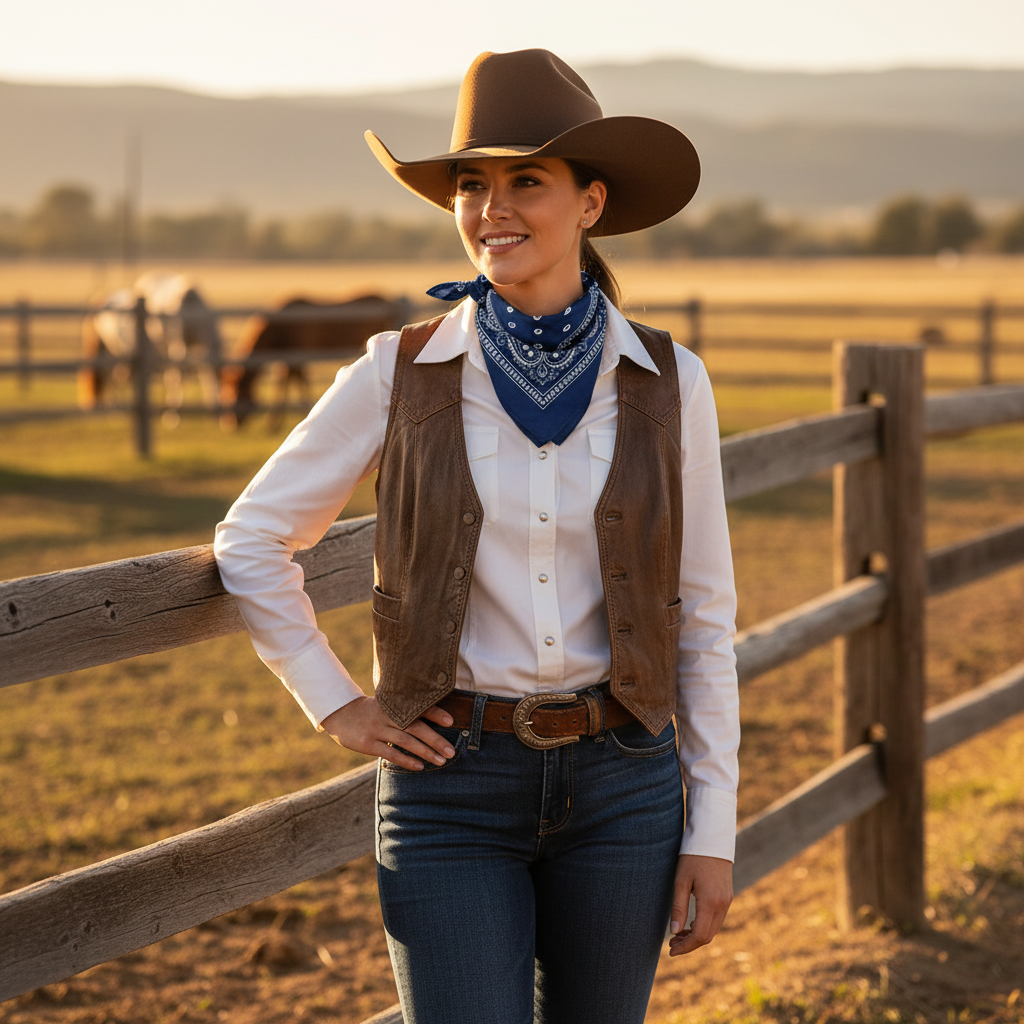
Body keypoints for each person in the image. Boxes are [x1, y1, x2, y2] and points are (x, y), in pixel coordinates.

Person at [214, 48, 739, 1024]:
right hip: (450, 786)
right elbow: (251, 540)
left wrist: (712, 828)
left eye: (524, 182)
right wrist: (337, 705)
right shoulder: (397, 369)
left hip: (624, 782)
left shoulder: (672, 381)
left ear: (589, 202)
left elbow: (702, 615)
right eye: (470, 184)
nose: (490, 208)